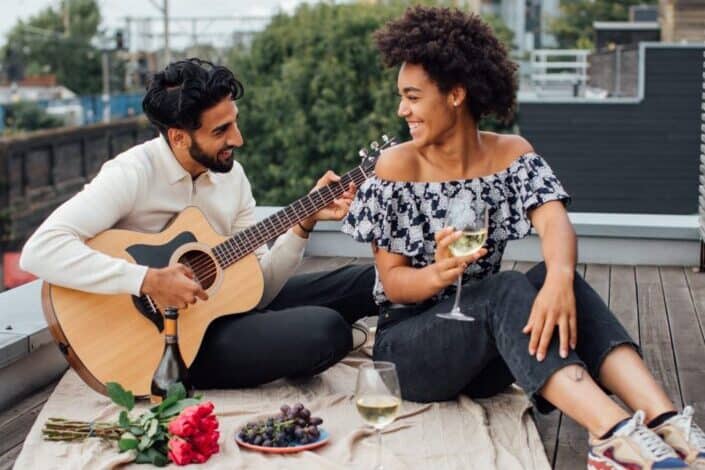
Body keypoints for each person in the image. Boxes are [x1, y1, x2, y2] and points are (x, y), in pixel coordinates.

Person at [342, 7, 705, 470]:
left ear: (456, 94)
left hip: (489, 355)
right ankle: (613, 433)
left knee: (559, 282)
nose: (402, 110)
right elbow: (392, 284)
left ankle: (668, 424)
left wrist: (558, 277)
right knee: (509, 287)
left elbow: (554, 223)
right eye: (402, 97)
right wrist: (436, 274)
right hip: (411, 354)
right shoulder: (396, 167)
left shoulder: (511, 155)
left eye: (412, 97)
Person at [20, 58, 376, 389]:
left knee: (367, 280)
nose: (238, 139)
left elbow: (259, 289)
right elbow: (39, 250)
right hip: (170, 344)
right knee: (325, 330)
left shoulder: (232, 177)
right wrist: (148, 280)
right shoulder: (131, 174)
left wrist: (304, 224)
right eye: (221, 130)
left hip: (224, 311)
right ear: (178, 136)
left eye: (235, 122)